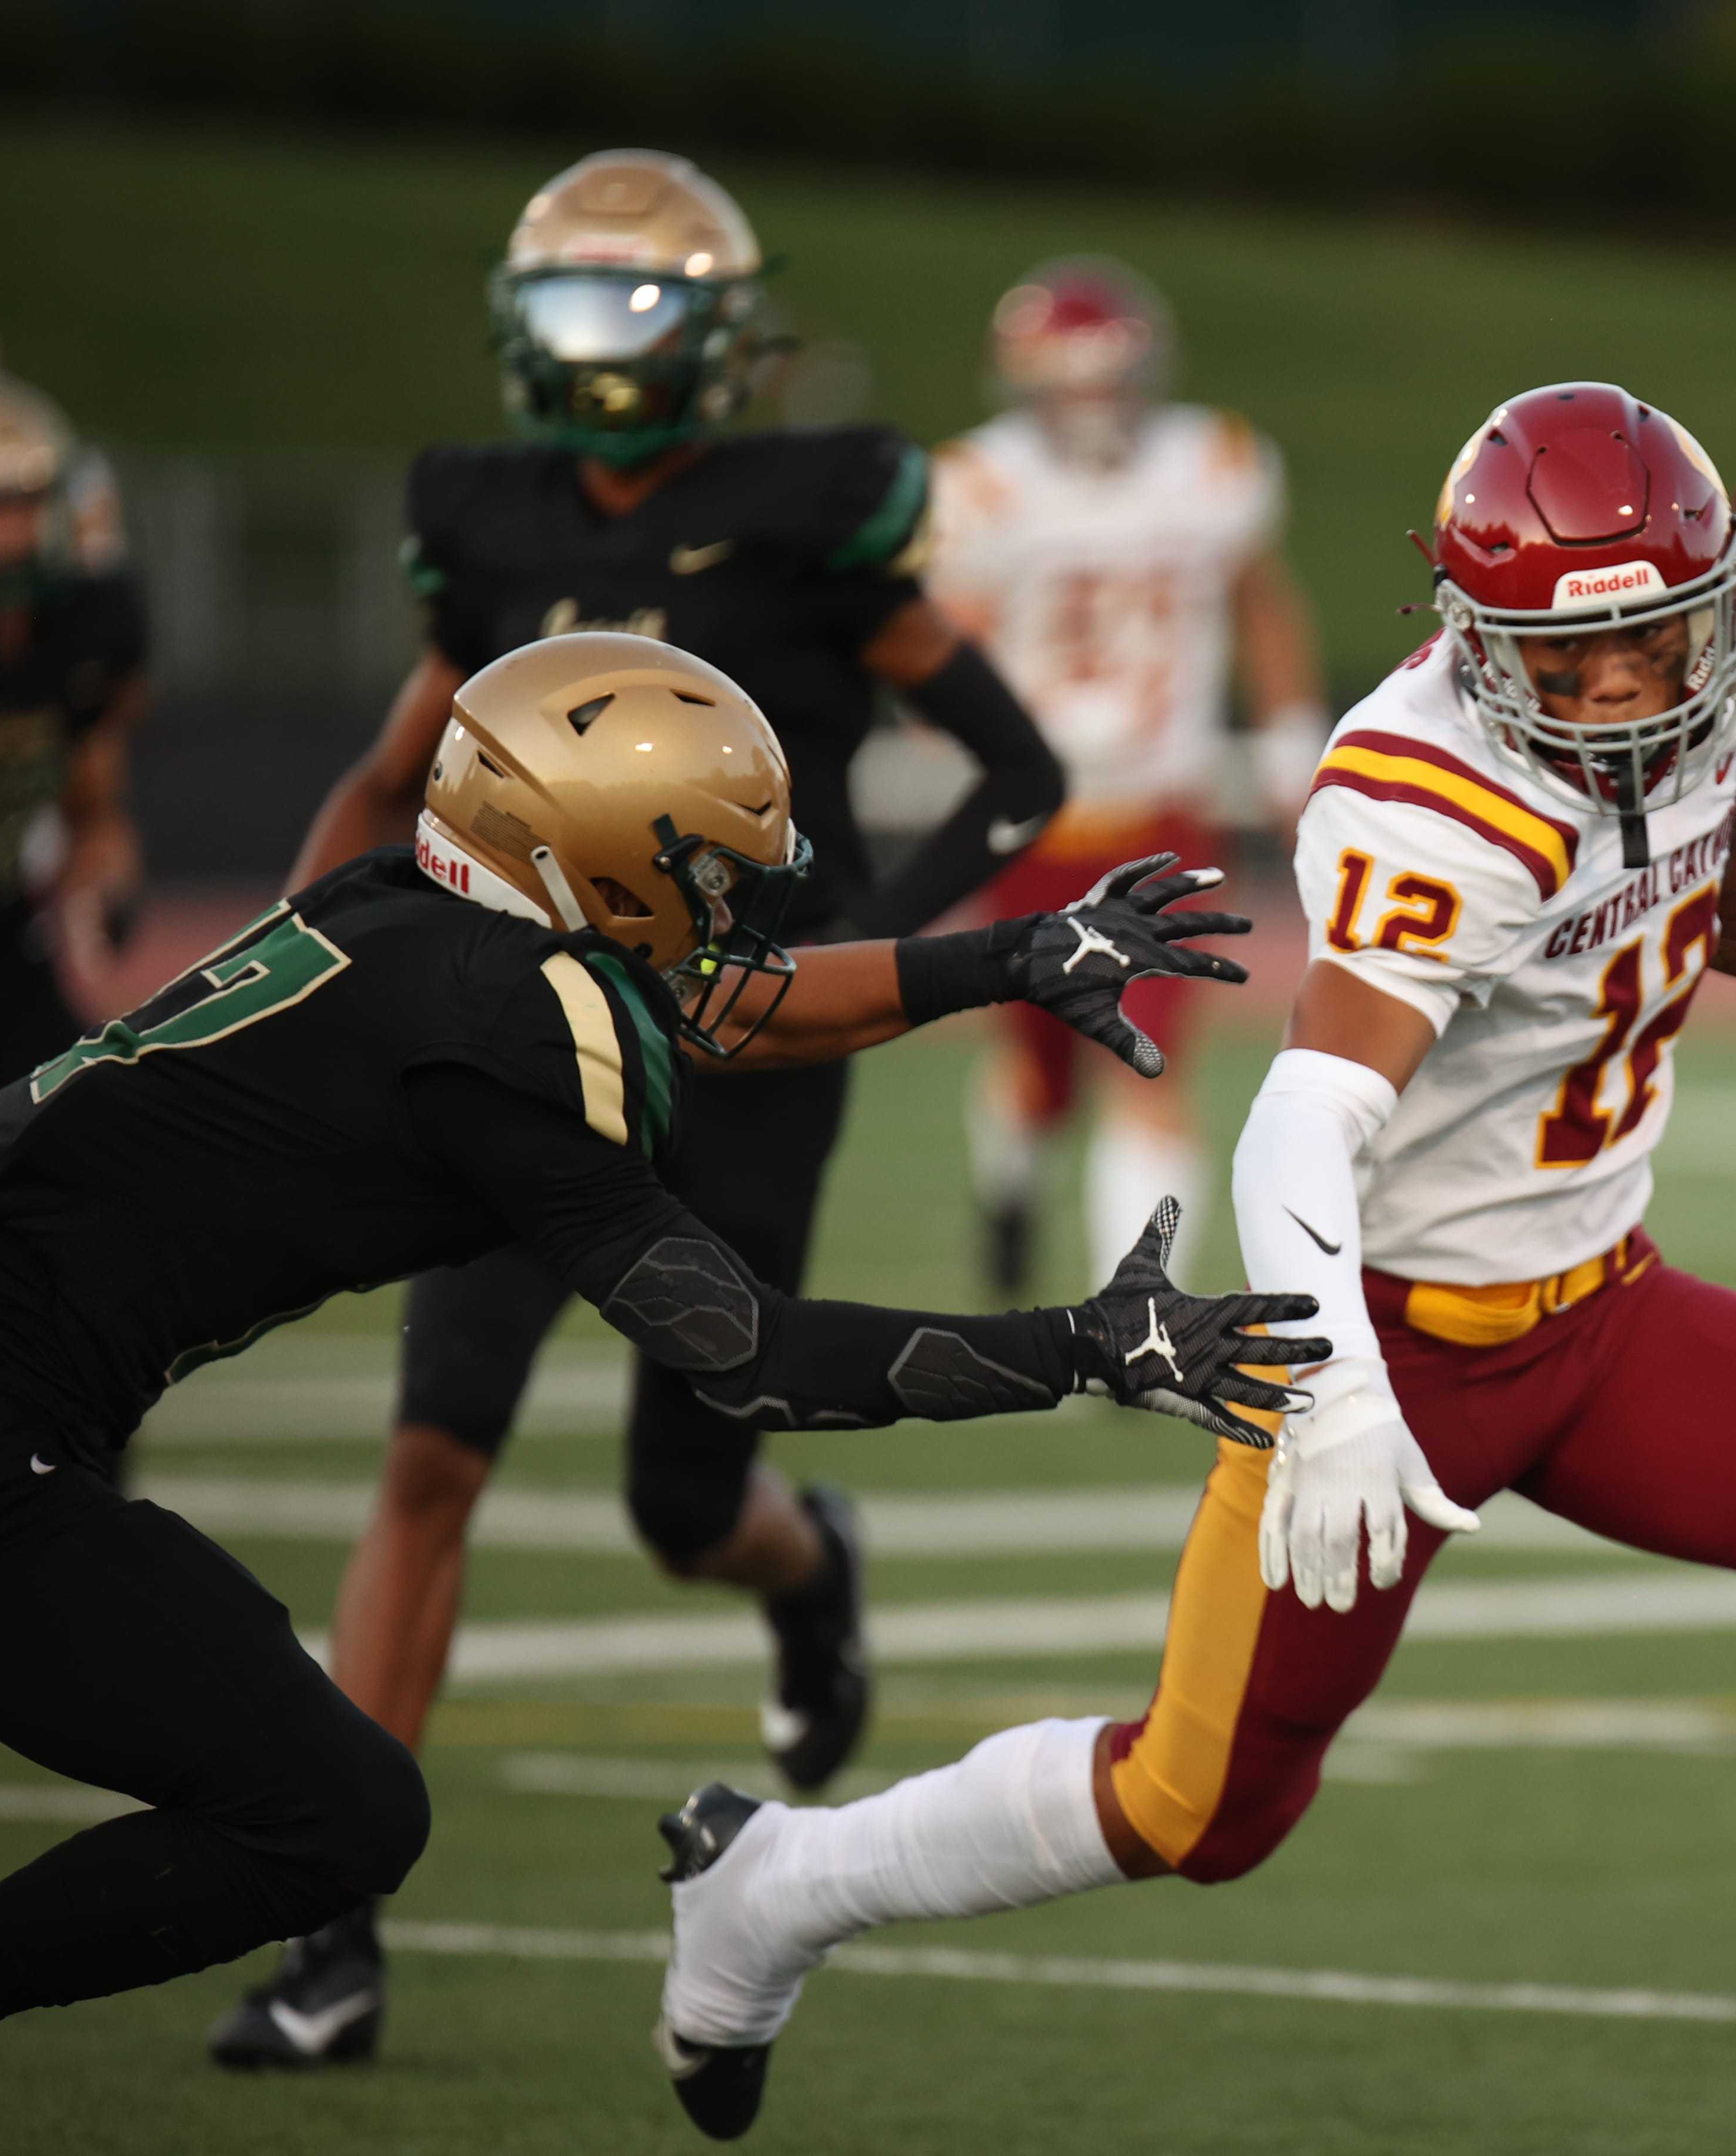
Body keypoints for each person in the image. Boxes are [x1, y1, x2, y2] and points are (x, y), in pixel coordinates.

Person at [646, 383, 1736, 2156]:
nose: (1629, 698)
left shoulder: (1724, 658)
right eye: (1571, 672)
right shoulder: (1429, 804)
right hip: (1391, 1341)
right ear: (1475, 645)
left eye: (1660, 646)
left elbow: (1673, 835)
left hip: (1606, 1305)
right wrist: (1333, 1383)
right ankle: (780, 1882)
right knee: (1202, 1805)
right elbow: (1298, 1126)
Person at [0, 629, 1315, 2033]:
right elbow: (753, 1358)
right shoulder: (503, 1032)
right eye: (707, 874)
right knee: (330, 1813)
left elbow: (714, 1006)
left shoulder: (402, 902)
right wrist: (1090, 1344)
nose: (737, 907)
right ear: (598, 862)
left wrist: (1013, 954)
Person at [217, 147, 1072, 2067]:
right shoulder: (488, 515)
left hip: (739, 1056)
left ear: (726, 337)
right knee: (435, 1447)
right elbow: (387, 771)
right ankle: (328, 1922)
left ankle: (806, 1561)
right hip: (519, 1045)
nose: (603, 352)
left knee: (695, 1485)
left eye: (641, 308)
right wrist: (276, 975)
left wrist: (851, 964)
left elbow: (1018, 765)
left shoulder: (814, 507)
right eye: (575, 310)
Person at [925, 256, 1329, 1295]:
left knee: (1148, 1060)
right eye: (1071, 379)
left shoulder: (1211, 460)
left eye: (1109, 376)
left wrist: (1293, 742)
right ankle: (1010, 1184)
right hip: (1035, 817)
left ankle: (1132, 1311)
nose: (1095, 403)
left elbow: (1261, 603)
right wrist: (990, 751)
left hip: (1165, 806)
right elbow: (945, 650)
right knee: (1037, 1073)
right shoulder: (980, 483)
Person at [0, 370, 144, 1083]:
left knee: (86, 1111)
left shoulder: (85, 634)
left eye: (21, 503)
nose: (8, 534)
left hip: (5, 930)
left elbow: (95, 815)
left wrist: (100, 897)